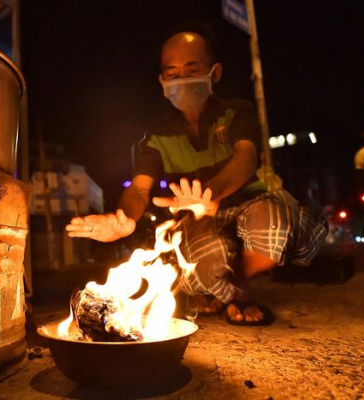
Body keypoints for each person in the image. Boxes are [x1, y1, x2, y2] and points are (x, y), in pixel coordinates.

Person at [66, 27, 327, 325]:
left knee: (273, 229)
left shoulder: (237, 112)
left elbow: (246, 156)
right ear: (162, 80)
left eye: (192, 69)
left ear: (214, 74)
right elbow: (140, 189)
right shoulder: (158, 136)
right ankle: (220, 290)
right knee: (200, 263)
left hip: (255, 201)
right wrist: (123, 218)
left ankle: (235, 292)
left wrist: (212, 192)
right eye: (172, 72)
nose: (182, 79)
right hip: (201, 219)